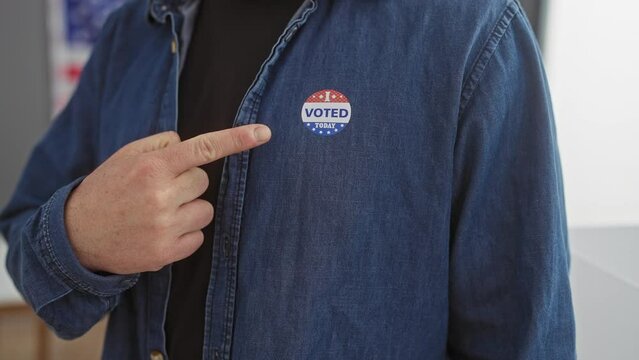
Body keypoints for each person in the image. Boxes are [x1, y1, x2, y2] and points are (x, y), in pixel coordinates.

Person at [0, 0, 576, 359]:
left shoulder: (471, 30)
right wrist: (82, 233)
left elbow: (523, 339)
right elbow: (26, 245)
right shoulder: (135, 31)